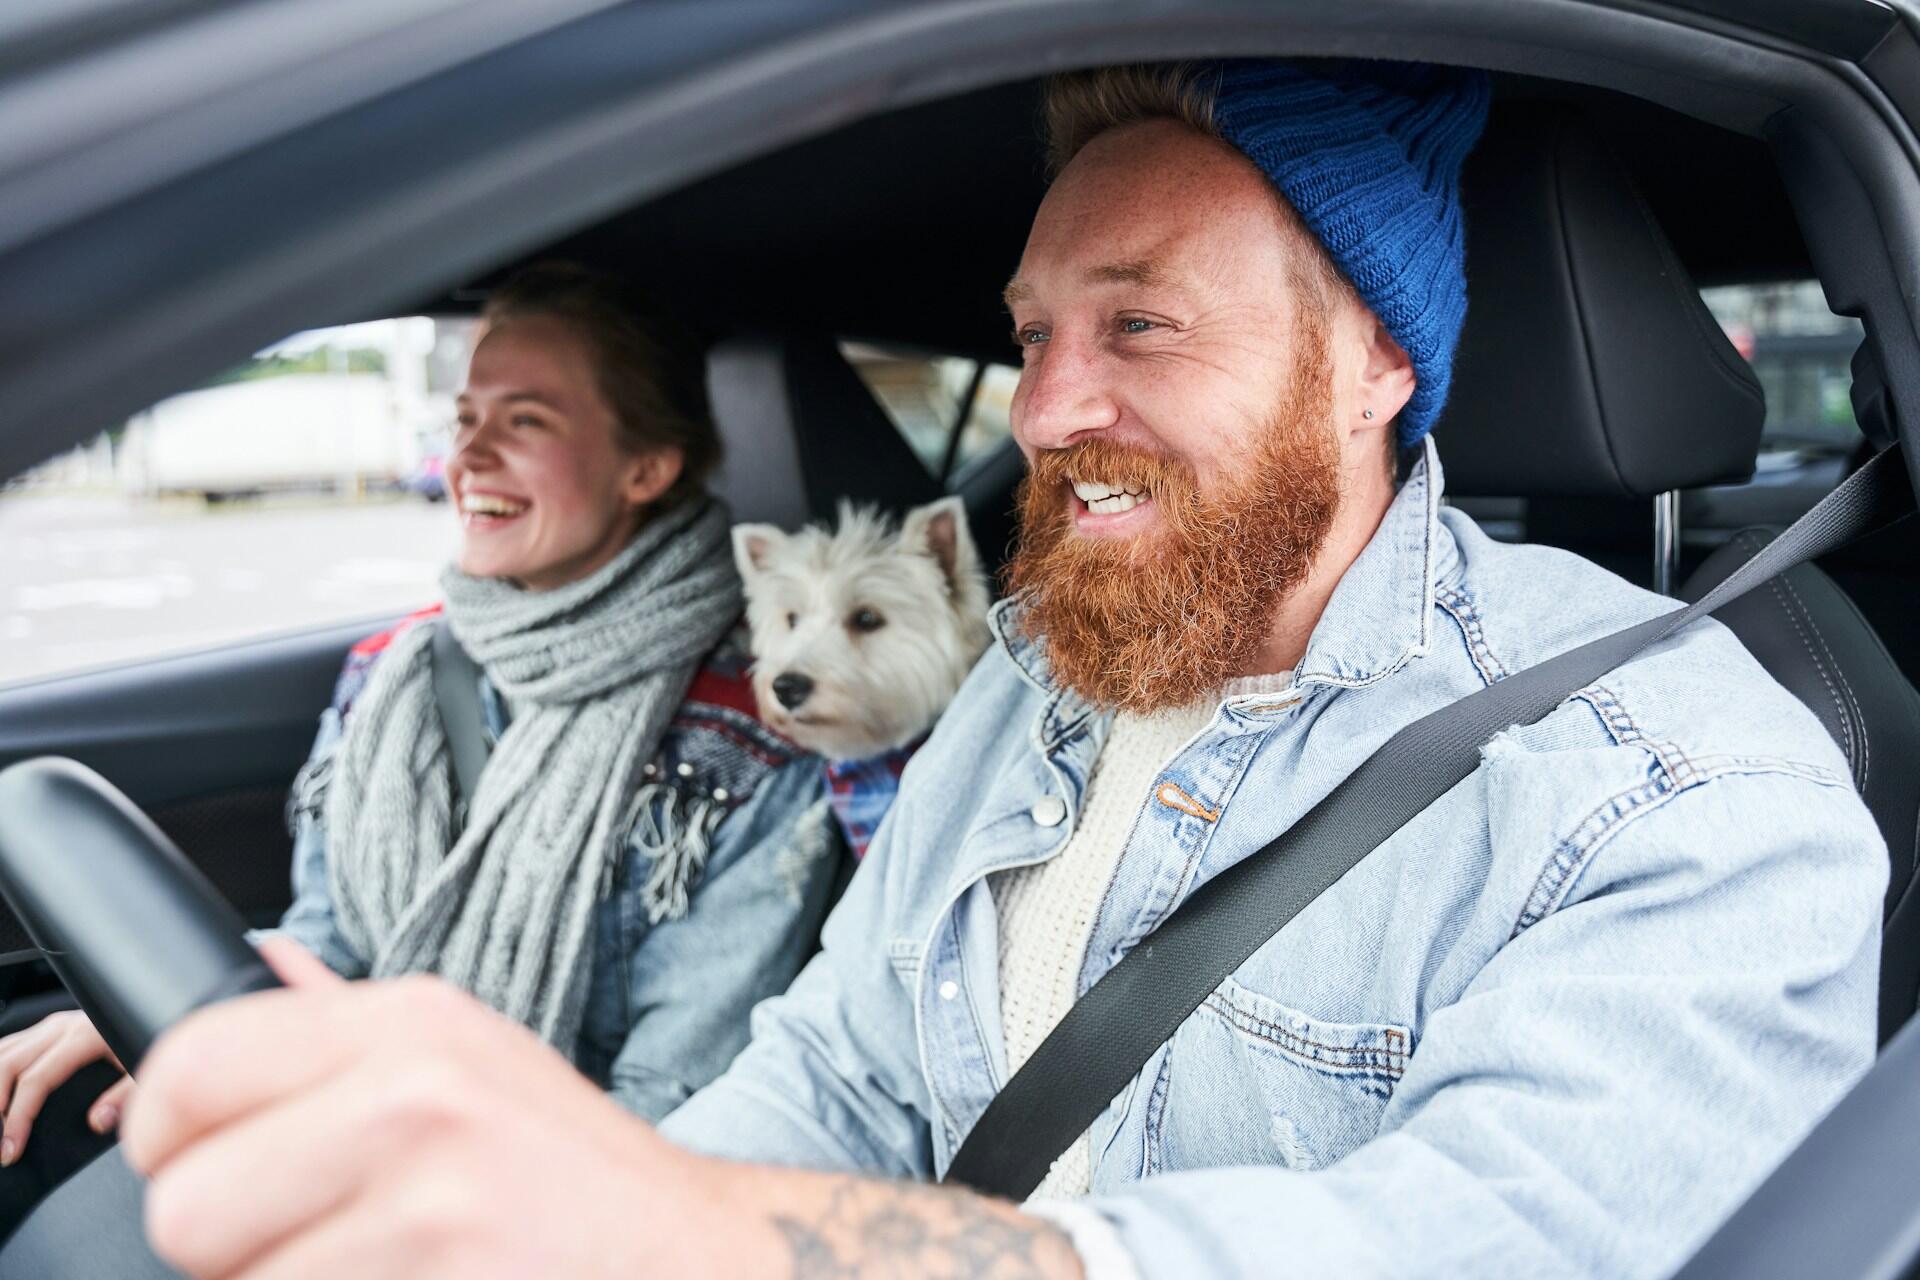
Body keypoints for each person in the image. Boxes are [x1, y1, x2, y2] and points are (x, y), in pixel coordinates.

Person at [60, 60, 1891, 1280]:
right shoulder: (1029, 684)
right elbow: (839, 1079)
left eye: (1142, 325)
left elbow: (1496, 1243)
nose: (1051, 407)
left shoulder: (1668, 771)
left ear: (1373, 367)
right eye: (1032, 335)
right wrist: (572, 1209)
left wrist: (701, 1232)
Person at [0, 262, 839, 1231]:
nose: (468, 456)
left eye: (524, 421)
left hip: (543, 1204)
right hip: (361, 1118)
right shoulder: (392, 673)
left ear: (645, 467)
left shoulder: (752, 734)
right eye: (465, 417)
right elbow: (333, 946)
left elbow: (671, 1101)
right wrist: (161, 1019)